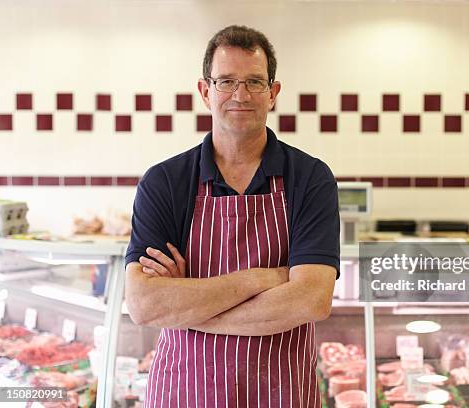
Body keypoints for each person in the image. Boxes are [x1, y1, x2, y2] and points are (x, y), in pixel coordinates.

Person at [124, 25, 340, 407]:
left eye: (255, 82)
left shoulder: (310, 178)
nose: (241, 95)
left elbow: (311, 301)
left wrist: (188, 308)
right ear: (205, 92)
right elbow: (144, 305)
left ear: (273, 93)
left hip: (282, 392)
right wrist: (266, 278)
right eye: (226, 81)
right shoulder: (165, 182)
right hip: (186, 392)